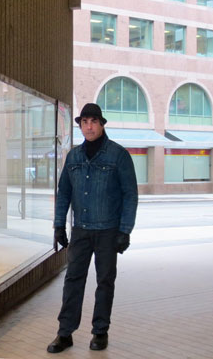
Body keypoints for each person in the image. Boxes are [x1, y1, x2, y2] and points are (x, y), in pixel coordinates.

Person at [47, 103, 138, 353]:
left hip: (108, 230)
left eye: (93, 121)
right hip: (81, 230)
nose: (89, 127)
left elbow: (130, 195)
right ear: (80, 126)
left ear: (102, 124)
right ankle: (65, 333)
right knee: (72, 280)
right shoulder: (74, 157)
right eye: (84, 122)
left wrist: (125, 230)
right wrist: (59, 225)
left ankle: (100, 331)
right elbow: (64, 193)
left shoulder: (118, 155)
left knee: (105, 281)